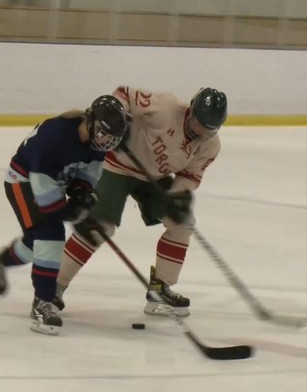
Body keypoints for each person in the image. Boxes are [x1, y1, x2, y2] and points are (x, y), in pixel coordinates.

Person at [55, 85, 228, 318]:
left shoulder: (210, 145)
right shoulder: (166, 108)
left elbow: (190, 176)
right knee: (100, 227)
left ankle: (160, 288)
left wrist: (177, 195)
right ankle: (55, 285)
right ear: (191, 111)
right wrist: (118, 118)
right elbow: (124, 94)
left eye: (210, 128)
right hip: (117, 165)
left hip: (152, 178)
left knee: (183, 223)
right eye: (200, 123)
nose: (202, 132)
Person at [0, 95, 129, 336]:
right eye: (104, 134)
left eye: (113, 139)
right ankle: (43, 301)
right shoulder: (55, 137)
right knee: (50, 235)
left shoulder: (95, 144)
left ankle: (0, 262)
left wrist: (83, 196)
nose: (107, 143)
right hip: (23, 180)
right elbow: (47, 199)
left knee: (37, 242)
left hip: (54, 181)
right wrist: (73, 213)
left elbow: (85, 178)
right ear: (90, 122)